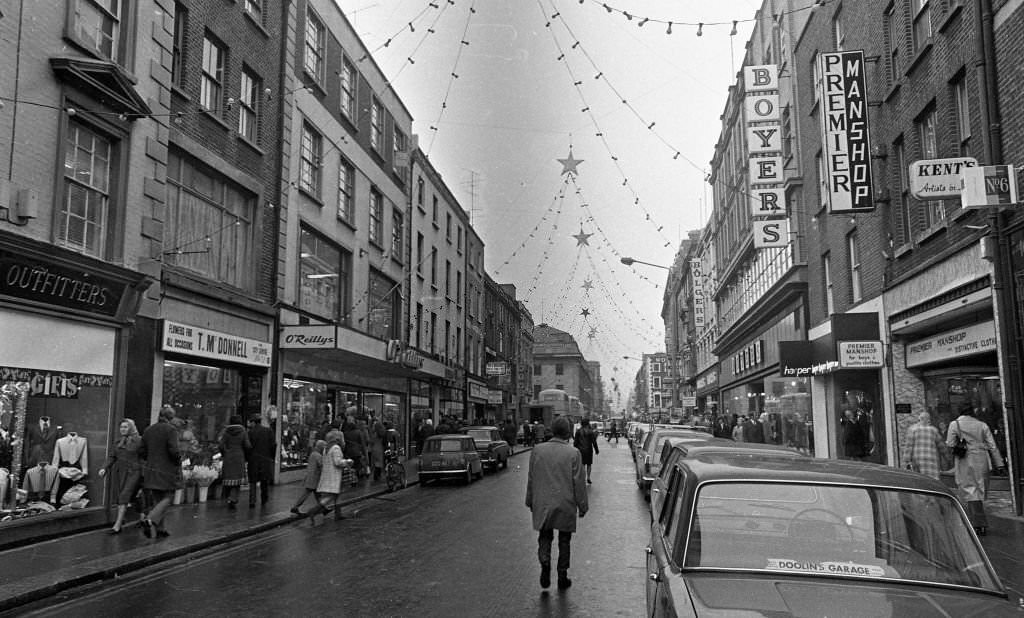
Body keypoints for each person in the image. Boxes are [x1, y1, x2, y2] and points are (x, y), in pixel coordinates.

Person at [525, 416, 588, 591]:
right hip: (565, 503)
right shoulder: (573, 453)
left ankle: (545, 563)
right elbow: (579, 483)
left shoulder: (537, 450)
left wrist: (530, 500)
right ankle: (562, 576)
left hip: (543, 502)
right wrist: (583, 506)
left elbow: (532, 478)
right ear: (568, 432)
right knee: (564, 540)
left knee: (545, 536)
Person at [947, 405, 1005, 535]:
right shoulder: (982, 425)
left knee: (969, 489)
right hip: (981, 459)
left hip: (965, 460)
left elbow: (950, 443)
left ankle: (977, 522)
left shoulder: (954, 424)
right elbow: (992, 446)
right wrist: (999, 464)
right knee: (978, 489)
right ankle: (978, 522)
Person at [137, 405, 182, 538]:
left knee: (158, 499)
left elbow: (141, 451)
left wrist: (150, 460)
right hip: (167, 469)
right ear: (170, 417)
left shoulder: (148, 430)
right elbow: (174, 450)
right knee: (169, 496)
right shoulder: (171, 430)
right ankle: (150, 519)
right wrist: (178, 460)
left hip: (151, 470)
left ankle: (161, 529)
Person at [98, 419, 142, 534]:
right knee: (127, 497)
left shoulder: (139, 441)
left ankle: (117, 526)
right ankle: (141, 518)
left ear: (131, 428)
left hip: (134, 473)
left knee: (124, 496)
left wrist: (144, 473)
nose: (122, 429)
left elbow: (145, 457)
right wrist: (104, 468)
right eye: (121, 427)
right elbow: (112, 457)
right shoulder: (118, 442)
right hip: (121, 473)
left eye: (125, 427)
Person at [306, 430, 349, 525]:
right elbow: (337, 462)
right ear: (338, 439)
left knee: (337, 496)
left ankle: (338, 514)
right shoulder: (336, 448)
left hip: (328, 475)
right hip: (334, 476)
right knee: (331, 496)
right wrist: (347, 462)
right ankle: (313, 511)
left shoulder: (326, 448)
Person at [218, 414, 251, 510]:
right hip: (239, 456)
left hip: (228, 457)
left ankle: (228, 497)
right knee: (237, 480)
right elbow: (247, 445)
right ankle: (233, 498)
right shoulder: (243, 431)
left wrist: (225, 452)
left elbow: (220, 445)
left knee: (229, 478)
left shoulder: (226, 431)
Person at [903, 411, 944, 480]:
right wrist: (948, 458)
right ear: (928, 420)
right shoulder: (934, 430)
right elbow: (942, 446)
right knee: (933, 481)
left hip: (917, 461)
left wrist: (906, 461)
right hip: (932, 461)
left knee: (919, 481)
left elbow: (908, 447)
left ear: (919, 419)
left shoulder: (912, 429)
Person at [247, 413, 277, 508]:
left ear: (253, 422)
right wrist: (271, 457)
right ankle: (264, 499)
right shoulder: (268, 431)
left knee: (253, 481)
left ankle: (252, 501)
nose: (249, 424)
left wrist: (248, 458)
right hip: (265, 459)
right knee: (264, 480)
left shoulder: (250, 433)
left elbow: (247, 447)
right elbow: (274, 445)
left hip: (253, 460)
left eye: (250, 422)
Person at [290, 439, 326, 515]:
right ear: (321, 447)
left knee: (317, 495)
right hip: (314, 478)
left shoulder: (313, 454)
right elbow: (322, 466)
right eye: (324, 447)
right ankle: (295, 507)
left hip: (310, 477)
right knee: (307, 494)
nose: (324, 449)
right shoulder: (318, 455)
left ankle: (324, 509)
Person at [573, 418, 599, 484]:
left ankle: (583, 477)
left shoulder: (578, 431)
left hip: (580, 450)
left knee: (582, 464)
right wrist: (596, 450)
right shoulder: (590, 432)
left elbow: (575, 442)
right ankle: (588, 477)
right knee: (589, 464)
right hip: (589, 450)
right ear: (588, 423)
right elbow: (594, 442)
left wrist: (575, 450)